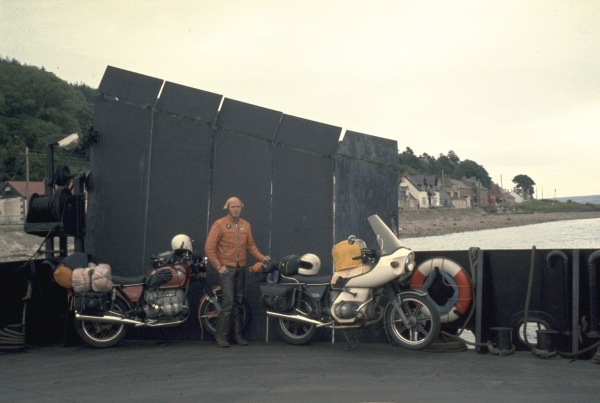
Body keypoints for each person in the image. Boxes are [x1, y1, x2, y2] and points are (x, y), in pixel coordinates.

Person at [204, 196, 269, 348]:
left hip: (241, 268)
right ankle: (221, 337)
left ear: (241, 208)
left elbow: (251, 246)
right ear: (227, 208)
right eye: (233, 207)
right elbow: (209, 248)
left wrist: (262, 258)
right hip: (227, 270)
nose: (235, 209)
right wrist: (219, 266)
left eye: (238, 207)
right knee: (228, 303)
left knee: (238, 303)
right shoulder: (219, 224)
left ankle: (237, 336)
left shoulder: (245, 225)